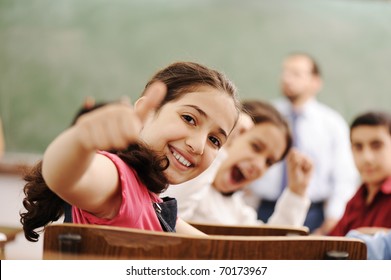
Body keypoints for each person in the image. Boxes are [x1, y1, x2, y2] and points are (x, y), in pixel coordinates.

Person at [20, 61, 241, 242]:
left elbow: (217, 251)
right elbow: (65, 177)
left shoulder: (152, 202)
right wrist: (80, 140)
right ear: (149, 110)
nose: (199, 145)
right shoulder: (118, 182)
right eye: (189, 119)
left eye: (214, 140)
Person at [248, 52, 359, 234]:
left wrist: (332, 220)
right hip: (261, 210)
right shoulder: (266, 115)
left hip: (313, 214)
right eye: (284, 72)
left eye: (296, 74)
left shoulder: (332, 124)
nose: (286, 78)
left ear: (316, 82)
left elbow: (344, 178)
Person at [164, 100, 312, 226]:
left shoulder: (238, 210)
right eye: (256, 147)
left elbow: (271, 249)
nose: (260, 165)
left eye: (269, 162)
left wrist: (296, 193)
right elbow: (170, 217)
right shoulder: (177, 181)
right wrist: (221, 148)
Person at [328, 111, 391, 236]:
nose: (366, 158)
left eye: (376, 146)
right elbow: (332, 244)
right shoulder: (356, 199)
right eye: (358, 147)